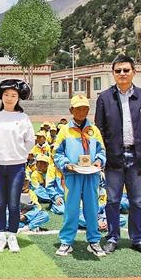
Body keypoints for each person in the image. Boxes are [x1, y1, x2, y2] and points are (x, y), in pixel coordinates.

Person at [95, 54, 141, 256]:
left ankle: (137, 239)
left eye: (126, 70)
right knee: (113, 200)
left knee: (137, 201)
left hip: (137, 156)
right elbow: (99, 130)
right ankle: (112, 237)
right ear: (113, 74)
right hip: (114, 157)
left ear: (133, 72)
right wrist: (101, 156)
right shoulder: (104, 98)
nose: (122, 73)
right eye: (118, 71)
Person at [0, 78, 34, 253]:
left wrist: (19, 153)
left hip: (17, 166)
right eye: (6, 94)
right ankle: (1, 235)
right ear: (1, 96)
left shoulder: (23, 117)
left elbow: (30, 141)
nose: (10, 98)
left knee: (13, 204)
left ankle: (12, 235)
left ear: (18, 98)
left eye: (13, 95)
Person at [53, 95, 107, 257]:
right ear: (71, 110)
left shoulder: (94, 130)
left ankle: (94, 241)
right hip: (72, 175)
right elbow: (57, 153)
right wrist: (66, 164)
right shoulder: (65, 130)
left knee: (92, 208)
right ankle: (66, 241)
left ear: (88, 110)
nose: (81, 112)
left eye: (84, 109)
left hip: (91, 175)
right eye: (78, 109)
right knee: (71, 209)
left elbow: (102, 151)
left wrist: (98, 161)